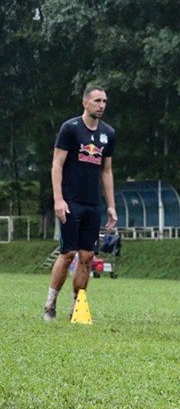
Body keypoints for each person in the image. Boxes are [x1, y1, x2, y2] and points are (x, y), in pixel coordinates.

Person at [43, 85, 117, 321]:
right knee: (68, 254)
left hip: (92, 205)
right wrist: (58, 199)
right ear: (85, 103)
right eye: (97, 100)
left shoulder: (108, 133)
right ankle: (50, 304)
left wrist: (111, 205)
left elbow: (106, 171)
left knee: (87, 257)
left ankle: (77, 306)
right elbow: (57, 165)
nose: (101, 105)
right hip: (70, 202)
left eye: (104, 101)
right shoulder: (70, 129)